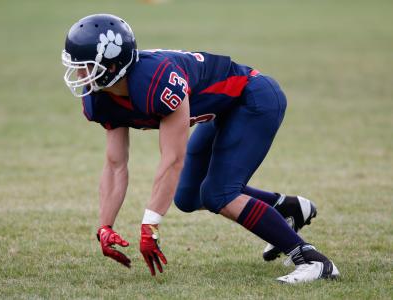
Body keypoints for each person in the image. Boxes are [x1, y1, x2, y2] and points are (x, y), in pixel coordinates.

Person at [61, 14, 340, 283]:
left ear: (112, 66)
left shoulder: (155, 81)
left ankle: (312, 260)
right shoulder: (100, 98)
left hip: (253, 97)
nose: (77, 73)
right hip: (223, 110)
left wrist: (150, 224)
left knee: (219, 194)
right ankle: (288, 209)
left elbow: (172, 159)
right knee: (188, 195)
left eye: (84, 65)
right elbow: (115, 165)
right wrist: (104, 226)